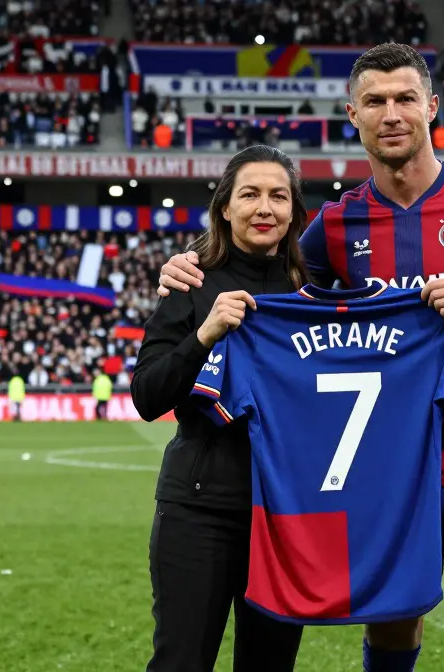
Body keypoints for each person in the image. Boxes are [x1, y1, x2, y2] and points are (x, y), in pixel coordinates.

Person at [156, 43, 444, 672]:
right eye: (375, 101)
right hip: (383, 471)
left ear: (432, 107)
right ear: (353, 114)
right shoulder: (333, 226)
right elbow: (261, 266)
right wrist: (191, 262)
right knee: (390, 628)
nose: (392, 113)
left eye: (406, 98)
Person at [130, 144, 309, 672]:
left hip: (282, 517)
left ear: (294, 211)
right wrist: (204, 335)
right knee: (181, 662)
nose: (264, 208)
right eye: (249, 194)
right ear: (225, 207)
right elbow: (147, 396)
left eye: (279, 196)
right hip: (198, 511)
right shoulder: (191, 281)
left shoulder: (313, 291)